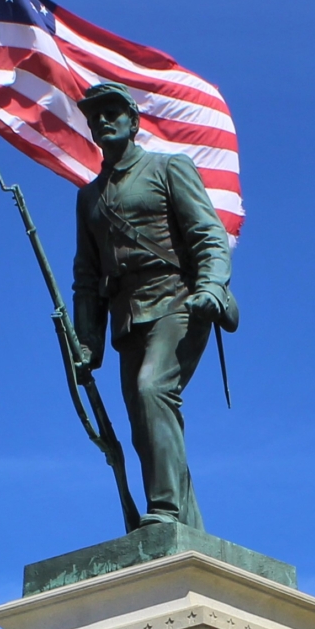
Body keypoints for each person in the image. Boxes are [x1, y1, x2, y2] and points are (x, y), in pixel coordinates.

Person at [68, 81, 237, 531]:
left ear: (134, 122)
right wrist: (88, 346)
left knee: (153, 391)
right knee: (145, 426)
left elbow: (208, 235)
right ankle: (187, 526)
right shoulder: (88, 198)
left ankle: (163, 511)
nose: (103, 120)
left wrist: (212, 287)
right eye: (95, 115)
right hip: (128, 316)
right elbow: (86, 279)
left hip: (181, 301)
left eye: (112, 112)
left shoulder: (169, 168)